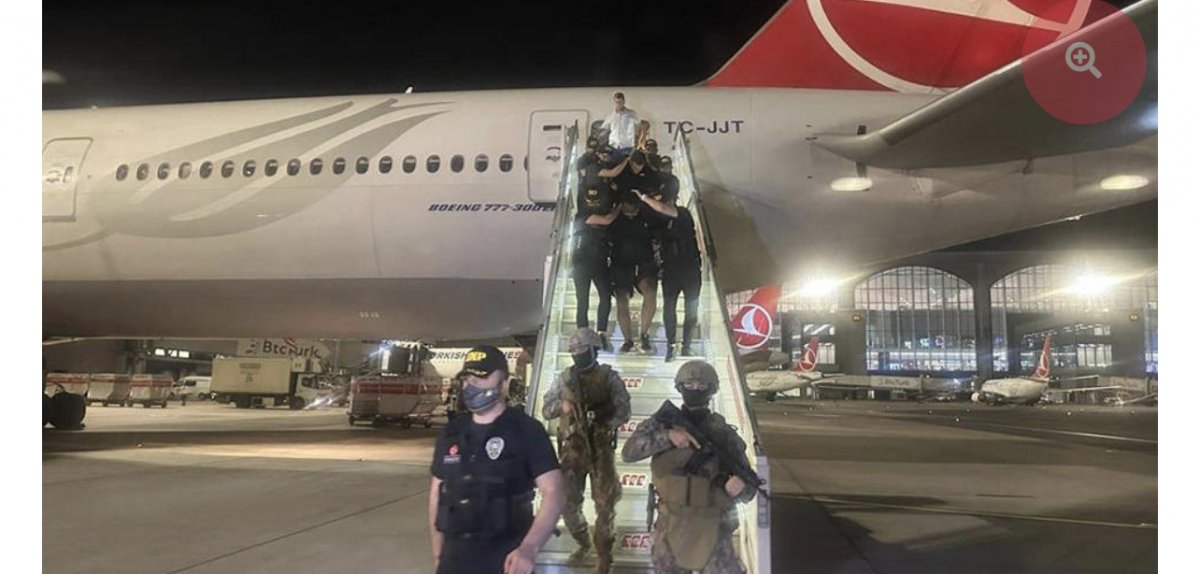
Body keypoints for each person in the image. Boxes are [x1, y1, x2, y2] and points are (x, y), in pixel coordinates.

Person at [429, 346, 565, 574]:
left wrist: (529, 548)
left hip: (507, 562)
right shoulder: (451, 433)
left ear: (503, 383)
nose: (471, 384)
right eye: (467, 378)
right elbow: (437, 493)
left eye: (481, 377)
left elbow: (554, 491)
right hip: (454, 561)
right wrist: (438, 554)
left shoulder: (526, 430)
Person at [621, 360, 758, 574]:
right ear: (680, 387)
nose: (695, 389)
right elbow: (629, 452)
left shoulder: (724, 434)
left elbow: (749, 489)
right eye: (689, 384)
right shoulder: (663, 423)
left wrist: (740, 487)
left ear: (711, 390)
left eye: (701, 385)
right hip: (671, 525)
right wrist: (667, 436)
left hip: (713, 526)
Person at [540, 328, 631, 574]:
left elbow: (624, 411)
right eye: (573, 350)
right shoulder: (565, 378)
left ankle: (604, 555)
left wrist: (600, 418)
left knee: (605, 505)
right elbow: (546, 410)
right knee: (567, 503)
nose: (577, 353)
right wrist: (562, 405)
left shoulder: (608, 377)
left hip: (600, 449)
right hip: (572, 450)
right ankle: (583, 542)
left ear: (593, 349)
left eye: (581, 349)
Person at [637, 157, 698, 362]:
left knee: (691, 309)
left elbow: (664, 209)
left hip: (689, 269)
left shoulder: (683, 213)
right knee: (670, 308)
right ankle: (671, 346)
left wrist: (645, 198)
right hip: (672, 270)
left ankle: (686, 345)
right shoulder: (660, 223)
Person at [592, 189, 658, 353]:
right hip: (621, 264)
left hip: (644, 262)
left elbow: (657, 234)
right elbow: (605, 236)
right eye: (627, 210)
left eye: (633, 210)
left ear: (638, 207)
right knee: (622, 299)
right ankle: (628, 339)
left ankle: (644, 334)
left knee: (650, 292)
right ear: (621, 207)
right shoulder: (614, 219)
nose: (630, 214)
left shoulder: (647, 216)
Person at [574, 184, 617, 351]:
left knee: (605, 297)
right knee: (582, 300)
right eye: (590, 200)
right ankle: (583, 335)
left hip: (598, 263)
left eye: (595, 201)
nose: (592, 203)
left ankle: (601, 332)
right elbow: (607, 220)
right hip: (582, 264)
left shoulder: (597, 213)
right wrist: (618, 209)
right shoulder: (582, 215)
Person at [600, 92, 639, 158]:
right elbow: (604, 129)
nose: (618, 104)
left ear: (624, 102)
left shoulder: (631, 114)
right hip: (613, 147)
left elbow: (639, 125)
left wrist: (637, 141)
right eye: (616, 102)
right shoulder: (610, 116)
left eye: (620, 102)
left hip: (627, 146)